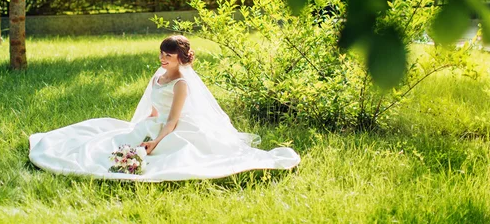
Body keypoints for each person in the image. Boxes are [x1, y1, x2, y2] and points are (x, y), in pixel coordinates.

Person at [29, 35, 300, 181]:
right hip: (157, 123)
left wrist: (155, 142)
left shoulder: (181, 84)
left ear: (180, 59)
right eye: (161, 54)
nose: (162, 59)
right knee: (112, 139)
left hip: (176, 127)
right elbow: (155, 112)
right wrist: (141, 129)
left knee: (176, 152)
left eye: (168, 56)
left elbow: (171, 121)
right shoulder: (158, 76)